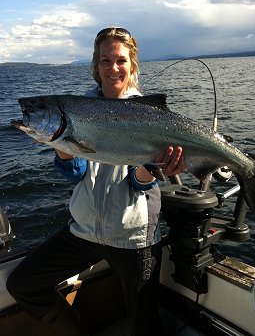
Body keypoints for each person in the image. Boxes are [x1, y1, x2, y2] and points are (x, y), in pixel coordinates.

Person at [6, 27, 185, 336]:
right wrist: (62, 146)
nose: (113, 68)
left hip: (133, 236)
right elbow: (76, 173)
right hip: (85, 230)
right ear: (95, 65)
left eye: (120, 60)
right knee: (23, 283)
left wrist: (154, 168)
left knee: (145, 324)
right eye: (105, 60)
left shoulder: (149, 113)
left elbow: (140, 186)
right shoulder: (76, 109)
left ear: (132, 65)